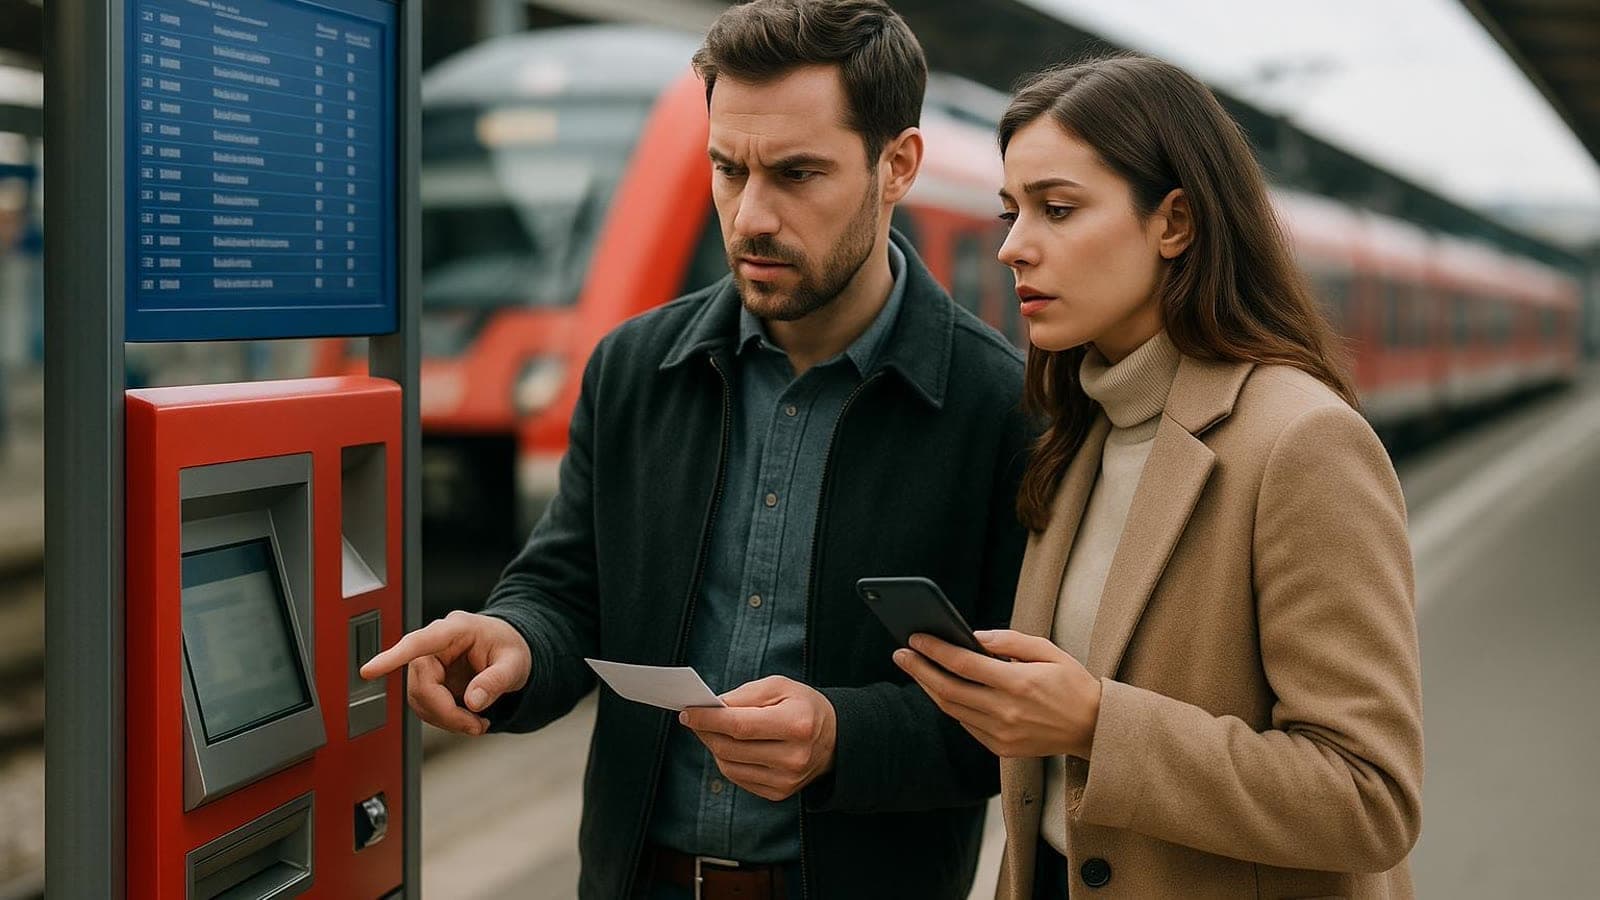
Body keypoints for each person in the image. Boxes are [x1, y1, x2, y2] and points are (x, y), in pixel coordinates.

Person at [362, 2, 1032, 898]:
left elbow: (1020, 717)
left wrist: (841, 737)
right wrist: (513, 642)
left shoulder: (999, 407)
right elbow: (564, 590)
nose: (752, 215)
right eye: (727, 168)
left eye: (797, 173)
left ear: (896, 166)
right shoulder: (633, 369)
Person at [893, 55, 1424, 899]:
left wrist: (1097, 722)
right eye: (1010, 211)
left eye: (1057, 210)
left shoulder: (1303, 441)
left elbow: (1369, 799)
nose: (1011, 247)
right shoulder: (1080, 436)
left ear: (1174, 223)